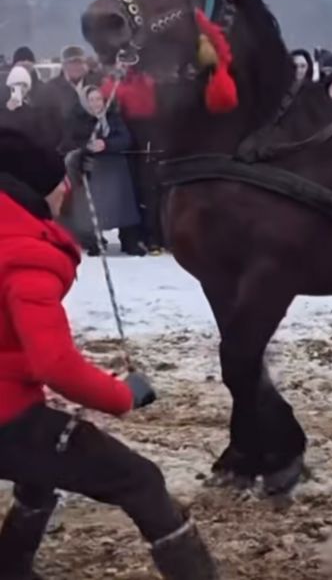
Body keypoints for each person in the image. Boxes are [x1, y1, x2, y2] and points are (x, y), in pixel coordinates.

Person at [0, 128, 218, 578]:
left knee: (41, 472)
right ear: (35, 189)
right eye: (61, 180)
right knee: (139, 480)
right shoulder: (25, 255)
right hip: (5, 415)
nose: (68, 189)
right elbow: (54, 363)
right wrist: (122, 396)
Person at [61, 86, 144, 256]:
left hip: (115, 166)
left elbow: (125, 139)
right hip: (91, 167)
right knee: (92, 207)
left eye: (98, 99)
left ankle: (129, 240)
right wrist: (87, 147)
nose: (95, 104)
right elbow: (70, 141)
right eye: (91, 100)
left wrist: (106, 144)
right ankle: (94, 241)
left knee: (124, 205)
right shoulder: (79, 119)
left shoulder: (113, 118)